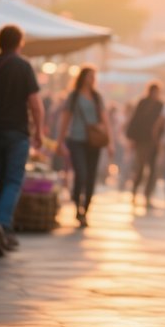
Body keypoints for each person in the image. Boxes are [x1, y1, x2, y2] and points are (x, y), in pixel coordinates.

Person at [0, 25, 44, 257]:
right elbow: (35, 104)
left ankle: (2, 230)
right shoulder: (23, 66)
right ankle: (1, 223)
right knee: (13, 181)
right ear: (19, 43)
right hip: (17, 132)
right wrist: (39, 131)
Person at [56, 66, 112, 227]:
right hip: (76, 139)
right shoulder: (73, 96)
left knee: (91, 177)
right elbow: (66, 118)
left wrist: (110, 142)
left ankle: (85, 210)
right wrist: (60, 141)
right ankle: (77, 205)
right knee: (81, 173)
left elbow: (105, 119)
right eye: (90, 76)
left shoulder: (96, 97)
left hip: (94, 141)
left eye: (94, 76)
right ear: (82, 77)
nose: (92, 79)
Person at [126, 81, 164, 208]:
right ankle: (134, 191)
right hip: (142, 140)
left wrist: (160, 140)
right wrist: (132, 139)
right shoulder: (143, 103)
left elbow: (163, 124)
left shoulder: (160, 105)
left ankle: (147, 195)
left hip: (155, 141)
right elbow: (135, 120)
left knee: (153, 169)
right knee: (140, 168)